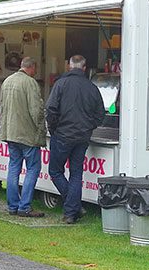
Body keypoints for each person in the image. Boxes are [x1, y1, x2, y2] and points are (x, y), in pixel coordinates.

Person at [45, 55, 105, 224]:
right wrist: (88, 127)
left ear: (69, 66)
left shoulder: (61, 84)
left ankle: (73, 208)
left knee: (55, 171)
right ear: (84, 68)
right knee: (76, 173)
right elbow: (100, 115)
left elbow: (50, 109)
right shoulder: (92, 88)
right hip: (82, 137)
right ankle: (73, 209)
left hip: (62, 135)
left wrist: (54, 128)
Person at [0, 57, 45, 217]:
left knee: (13, 168)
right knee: (33, 168)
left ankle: (12, 206)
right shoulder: (30, 83)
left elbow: (2, 107)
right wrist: (42, 129)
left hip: (11, 133)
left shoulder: (7, 81)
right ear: (32, 68)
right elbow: (36, 110)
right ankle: (24, 206)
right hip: (27, 135)